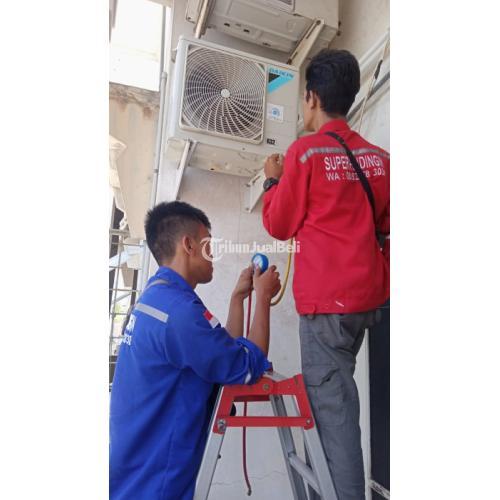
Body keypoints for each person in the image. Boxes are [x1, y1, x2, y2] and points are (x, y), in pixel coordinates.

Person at [261, 49, 390, 500]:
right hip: (367, 302)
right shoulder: (380, 159)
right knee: (332, 399)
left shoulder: (304, 153)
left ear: (312, 98)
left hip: (325, 308)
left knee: (333, 416)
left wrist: (272, 181)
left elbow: (278, 224)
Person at [110, 201, 281, 500]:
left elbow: (221, 357)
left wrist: (237, 299)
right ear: (188, 245)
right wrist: (263, 298)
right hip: (157, 484)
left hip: (135, 472)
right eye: (208, 245)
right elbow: (247, 367)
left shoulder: (156, 299)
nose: (212, 254)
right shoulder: (179, 313)